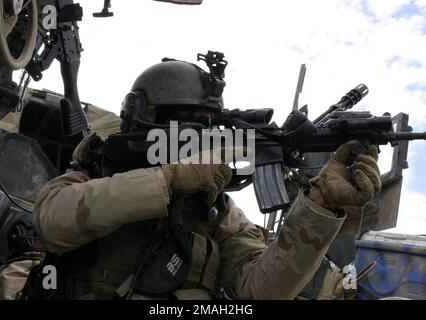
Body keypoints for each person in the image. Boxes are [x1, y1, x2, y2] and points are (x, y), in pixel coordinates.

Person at [26, 58, 381, 300]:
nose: (199, 140)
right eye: (186, 124)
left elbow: (262, 291)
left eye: (206, 129)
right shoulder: (95, 171)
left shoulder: (218, 212)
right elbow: (51, 223)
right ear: (146, 119)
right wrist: (168, 180)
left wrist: (321, 205)